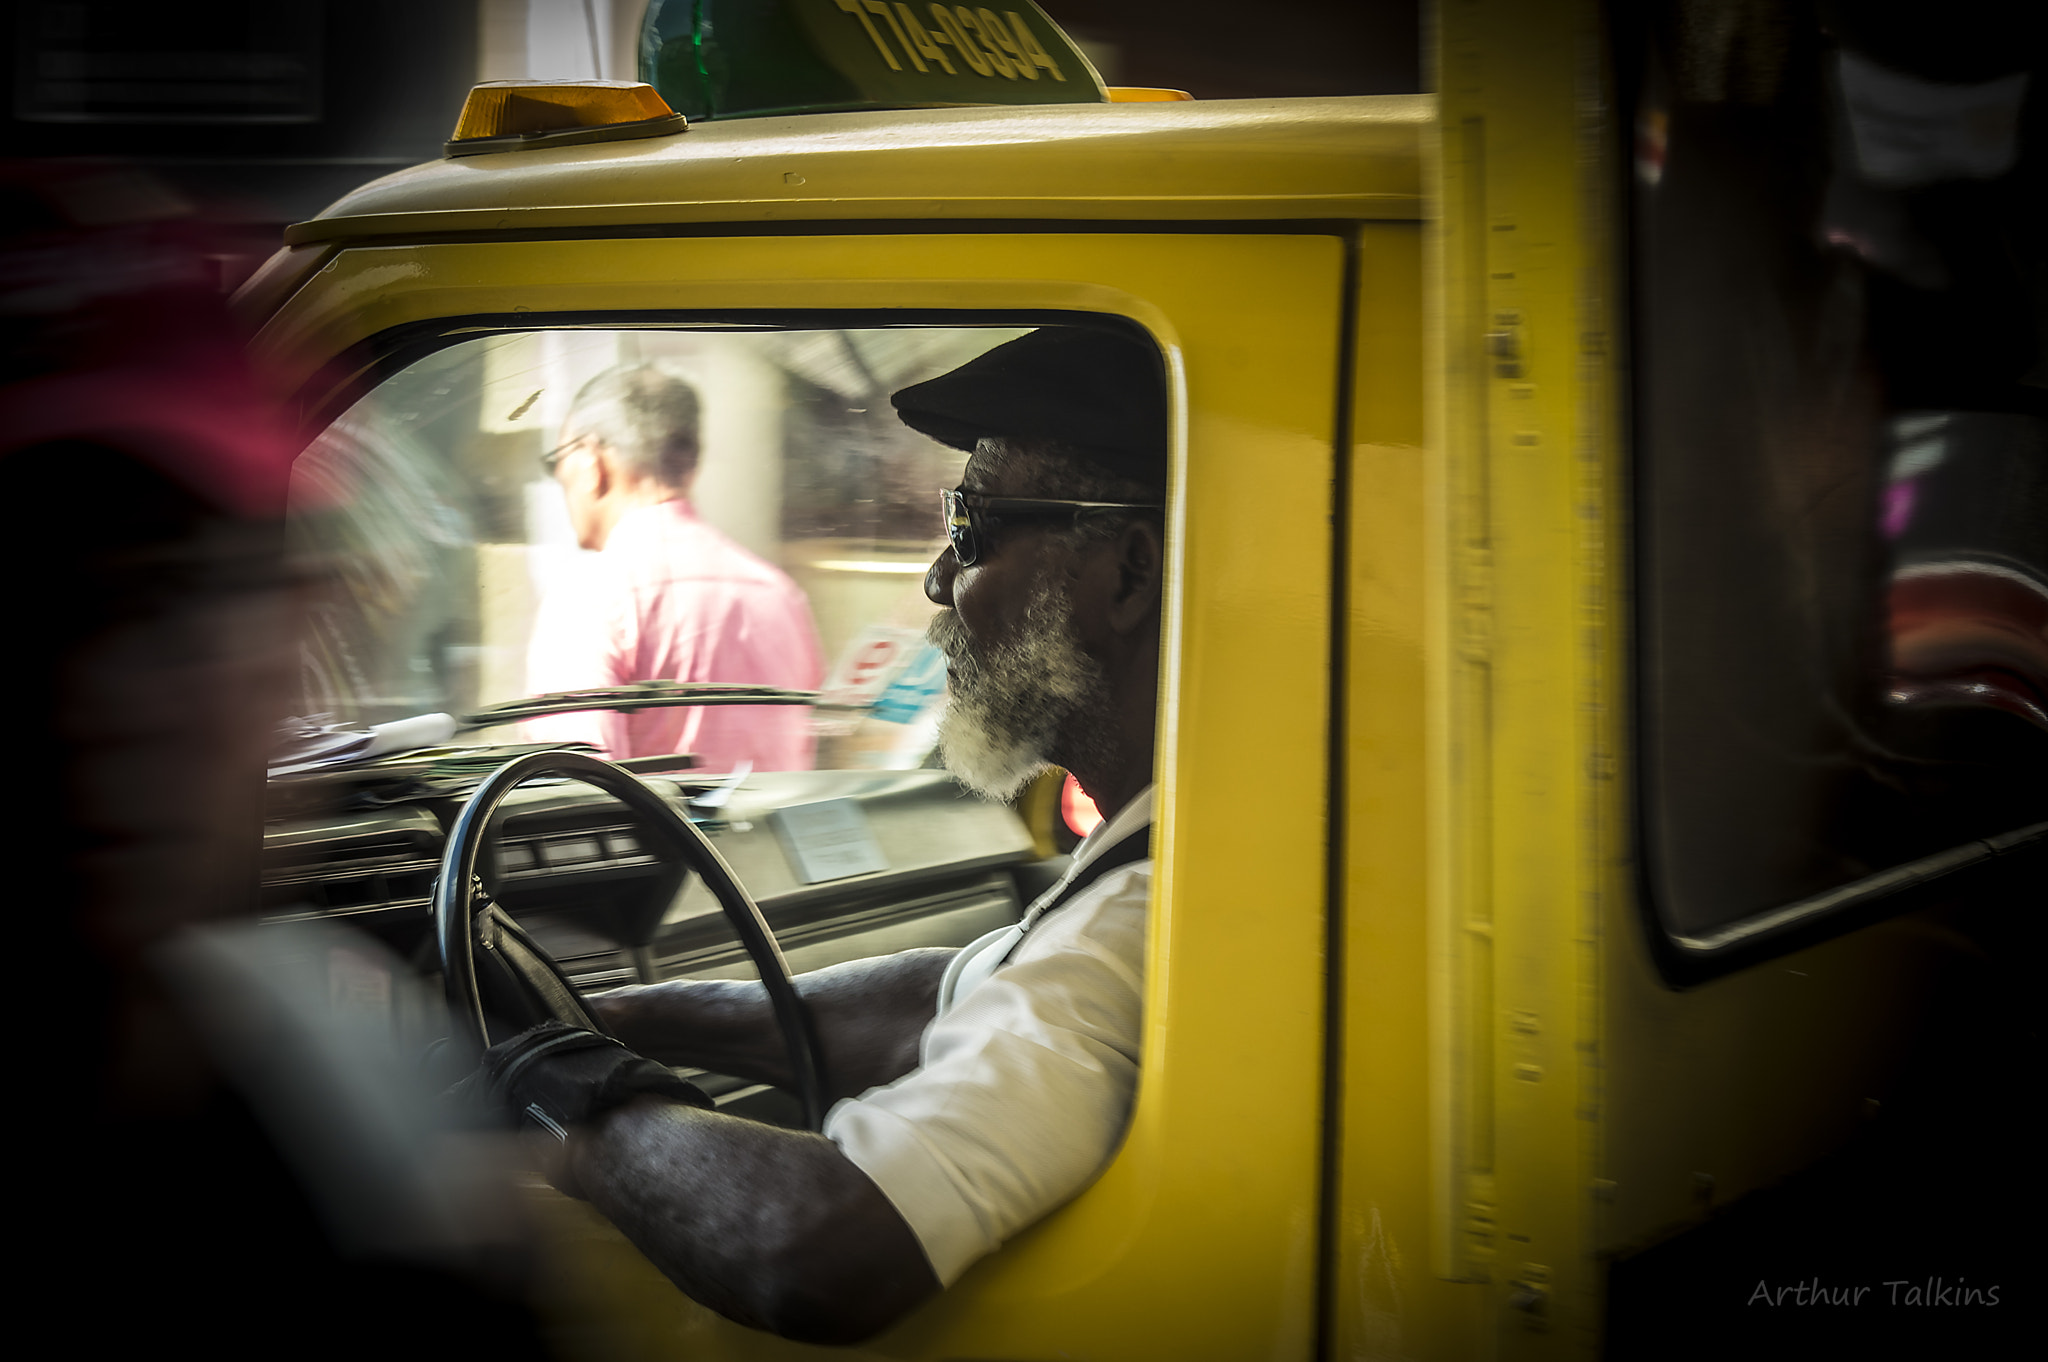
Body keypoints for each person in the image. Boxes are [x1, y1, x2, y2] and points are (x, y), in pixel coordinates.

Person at [473, 327, 1170, 1344]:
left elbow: (818, 1244)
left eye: (970, 528)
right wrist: (637, 1018)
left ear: (1127, 572)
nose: (937, 580)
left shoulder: (1142, 925)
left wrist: (570, 1112)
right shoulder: (1160, 868)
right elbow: (939, 1001)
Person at [524, 364, 823, 770]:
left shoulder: (589, 596)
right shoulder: (780, 594)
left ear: (592, 462)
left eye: (558, 459)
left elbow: (572, 790)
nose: (560, 477)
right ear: (691, 466)